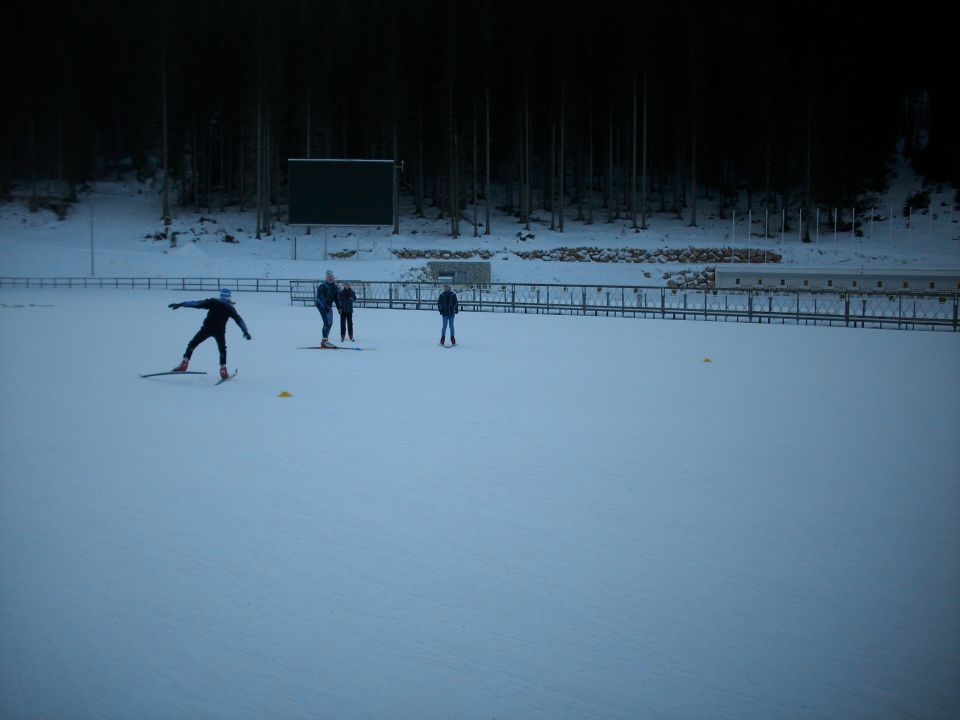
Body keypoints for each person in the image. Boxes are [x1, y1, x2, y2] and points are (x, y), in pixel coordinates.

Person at [169, 288, 251, 379]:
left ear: (221, 295)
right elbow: (239, 320)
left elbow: (196, 303)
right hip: (219, 331)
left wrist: (181, 304)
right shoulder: (230, 308)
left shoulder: (213, 302)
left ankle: (185, 362)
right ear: (229, 297)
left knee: (193, 343)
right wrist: (245, 331)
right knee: (222, 349)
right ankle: (223, 368)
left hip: (207, 328)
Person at [315, 270, 341, 348]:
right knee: (326, 322)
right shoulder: (323, 286)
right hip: (321, 305)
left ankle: (325, 341)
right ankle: (325, 341)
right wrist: (324, 306)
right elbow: (319, 298)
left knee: (330, 322)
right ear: (326, 278)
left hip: (328, 306)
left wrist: (339, 308)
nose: (330, 278)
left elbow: (337, 298)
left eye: (331, 277)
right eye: (328, 277)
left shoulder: (335, 287)